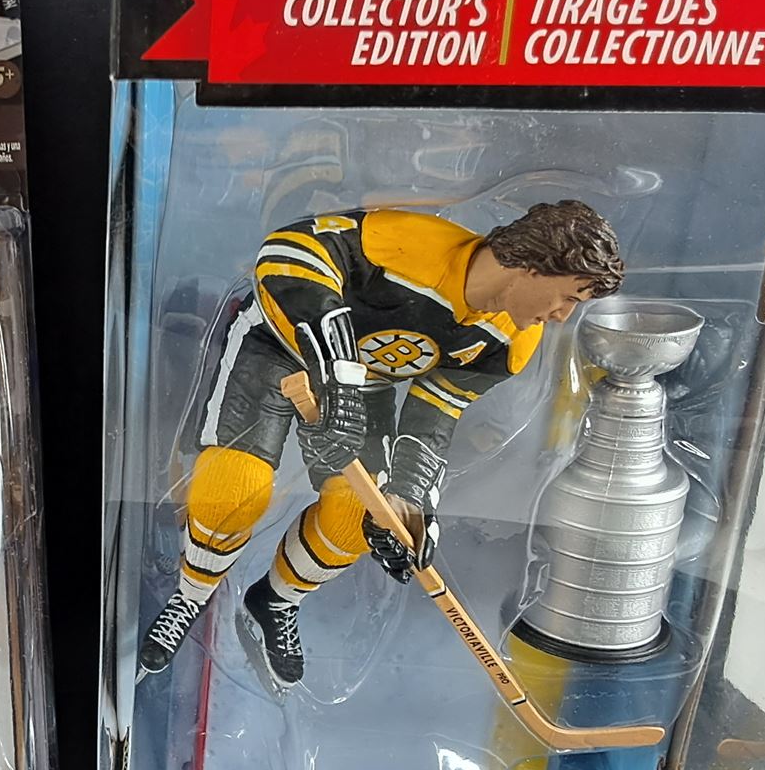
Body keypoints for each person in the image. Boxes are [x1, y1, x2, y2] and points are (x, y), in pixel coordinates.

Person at [138, 201, 625, 692]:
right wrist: (338, 377)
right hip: (275, 346)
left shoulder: (512, 340)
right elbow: (287, 254)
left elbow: (436, 410)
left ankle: (275, 602)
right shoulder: (411, 244)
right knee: (234, 488)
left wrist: (411, 499)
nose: (562, 316)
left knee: (359, 518)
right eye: (568, 296)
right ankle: (191, 595)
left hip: (366, 383)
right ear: (533, 267)